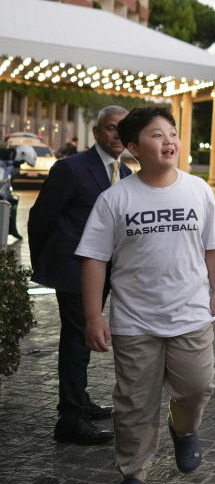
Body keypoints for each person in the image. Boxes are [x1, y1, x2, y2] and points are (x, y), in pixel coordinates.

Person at [77, 107, 215, 484]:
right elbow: (94, 258)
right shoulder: (114, 199)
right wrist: (93, 315)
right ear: (132, 148)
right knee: (134, 404)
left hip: (191, 314)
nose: (169, 140)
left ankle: (184, 428)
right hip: (134, 321)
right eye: (156, 134)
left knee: (197, 387)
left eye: (172, 133)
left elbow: (213, 245)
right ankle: (132, 474)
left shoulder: (198, 190)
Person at [28, 105, 130, 446]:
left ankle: (78, 401)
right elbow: (40, 218)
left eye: (124, 129)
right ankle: (70, 418)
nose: (119, 134)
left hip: (103, 271)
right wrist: (50, 262)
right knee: (77, 337)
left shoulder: (127, 174)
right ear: (98, 132)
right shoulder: (71, 168)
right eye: (112, 128)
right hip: (73, 269)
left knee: (81, 339)